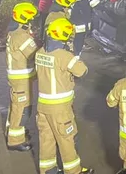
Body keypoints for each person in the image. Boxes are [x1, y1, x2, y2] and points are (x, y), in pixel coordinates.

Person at [35, 17, 92, 174]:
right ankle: (74, 171)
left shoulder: (40, 52)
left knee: (46, 140)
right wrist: (72, 52)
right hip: (60, 109)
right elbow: (82, 71)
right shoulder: (64, 56)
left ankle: (48, 170)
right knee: (66, 140)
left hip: (43, 106)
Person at [5, 1, 40, 151]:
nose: (33, 20)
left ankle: (14, 131)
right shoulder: (21, 36)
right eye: (31, 18)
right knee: (22, 109)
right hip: (21, 80)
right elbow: (34, 54)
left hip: (19, 79)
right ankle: (15, 141)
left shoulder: (15, 31)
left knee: (16, 107)